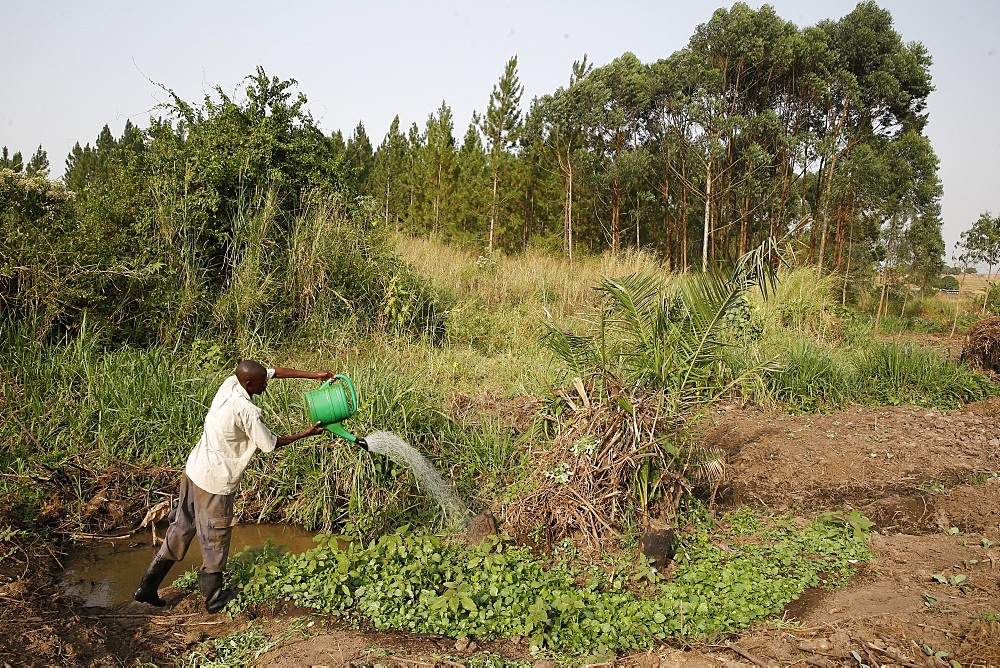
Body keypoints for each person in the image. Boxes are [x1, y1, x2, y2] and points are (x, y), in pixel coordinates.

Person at [133, 360, 336, 613]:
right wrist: (305, 434)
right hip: (215, 483)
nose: (266, 385)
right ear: (249, 383)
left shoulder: (230, 384)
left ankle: (147, 586)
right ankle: (214, 599)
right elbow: (270, 444)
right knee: (215, 538)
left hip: (194, 470)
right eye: (262, 383)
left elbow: (276, 373)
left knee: (181, 526)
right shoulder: (247, 410)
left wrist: (314, 374)